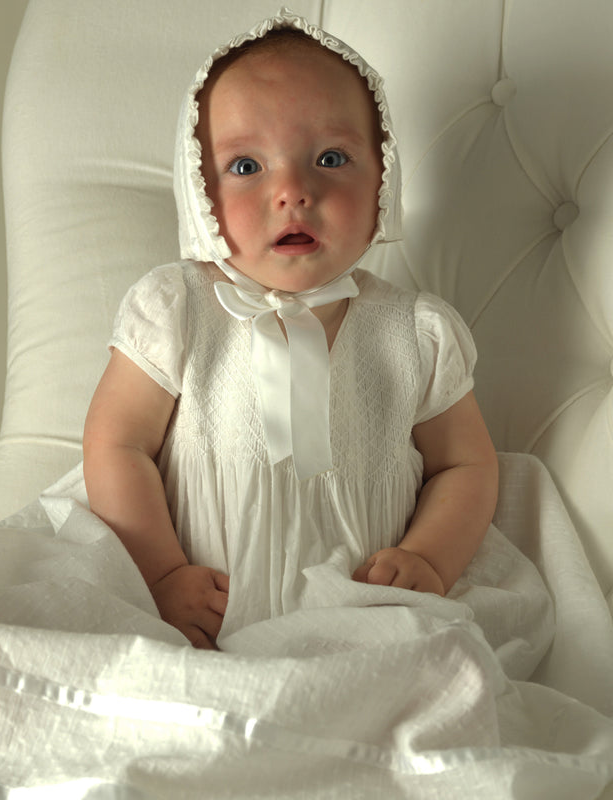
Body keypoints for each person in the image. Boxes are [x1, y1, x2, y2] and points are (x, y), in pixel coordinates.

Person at [83, 12, 499, 651]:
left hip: (366, 621)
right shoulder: (178, 310)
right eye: (247, 166)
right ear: (199, 190)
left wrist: (430, 561)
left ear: (381, 180)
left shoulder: (416, 333)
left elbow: (465, 464)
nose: (294, 191)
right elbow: (117, 445)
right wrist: (159, 572)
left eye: (331, 158)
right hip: (193, 617)